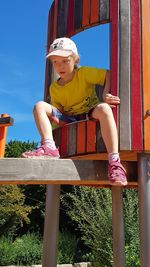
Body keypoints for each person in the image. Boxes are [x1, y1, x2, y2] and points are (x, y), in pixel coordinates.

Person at [22, 37, 127, 186]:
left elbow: (107, 74)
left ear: (75, 60)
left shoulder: (83, 73)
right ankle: (49, 147)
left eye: (65, 61)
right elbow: (58, 111)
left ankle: (115, 161)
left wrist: (105, 94)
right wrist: (56, 126)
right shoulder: (54, 88)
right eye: (55, 62)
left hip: (89, 113)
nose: (60, 66)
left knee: (104, 108)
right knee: (40, 105)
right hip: (69, 118)